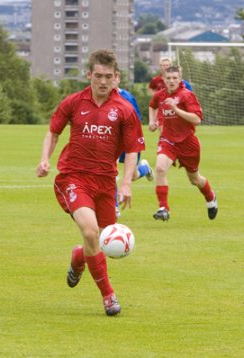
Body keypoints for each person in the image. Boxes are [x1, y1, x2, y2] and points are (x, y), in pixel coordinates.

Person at [36, 49, 145, 316]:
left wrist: (127, 183)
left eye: (109, 76)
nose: (103, 81)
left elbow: (132, 150)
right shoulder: (73, 102)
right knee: (90, 232)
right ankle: (108, 296)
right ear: (89, 75)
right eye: (98, 76)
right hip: (74, 177)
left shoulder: (125, 110)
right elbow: (53, 132)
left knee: (101, 243)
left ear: (116, 77)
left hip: (106, 182)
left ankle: (78, 257)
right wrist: (45, 159)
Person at [148, 66, 218, 222]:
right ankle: (163, 208)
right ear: (163, 80)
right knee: (160, 168)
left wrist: (175, 108)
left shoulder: (187, 96)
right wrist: (152, 121)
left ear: (180, 79)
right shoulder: (160, 95)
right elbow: (152, 105)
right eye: (168, 78)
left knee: (194, 179)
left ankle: (210, 196)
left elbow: (197, 119)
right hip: (167, 140)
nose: (171, 81)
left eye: (174, 78)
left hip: (187, 142)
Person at [116, 86, 154, 217]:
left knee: (132, 175)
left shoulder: (126, 97)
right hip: (111, 140)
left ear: (116, 78)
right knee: (109, 169)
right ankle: (114, 206)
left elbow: (135, 122)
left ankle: (145, 169)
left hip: (129, 139)